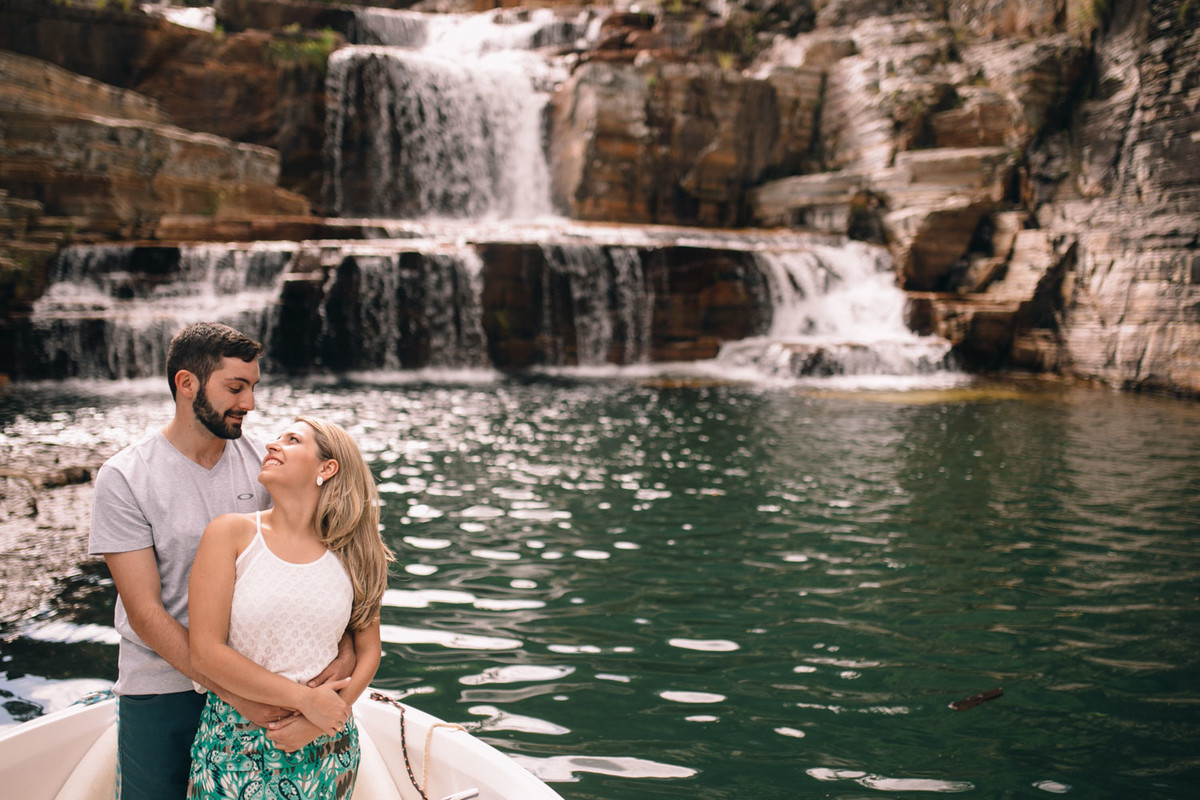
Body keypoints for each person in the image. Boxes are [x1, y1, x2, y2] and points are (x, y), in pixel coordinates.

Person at [88, 322, 355, 799]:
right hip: (162, 686)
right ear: (186, 383)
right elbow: (146, 613)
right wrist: (235, 694)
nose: (249, 404)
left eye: (252, 387)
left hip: (264, 685)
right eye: (235, 387)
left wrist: (347, 653)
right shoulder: (124, 478)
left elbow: (326, 563)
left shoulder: (267, 466)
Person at [186, 416, 394, 799]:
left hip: (329, 749)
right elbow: (205, 653)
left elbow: (369, 651)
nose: (272, 444)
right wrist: (303, 701)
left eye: (292, 440)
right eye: (277, 437)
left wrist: (323, 720)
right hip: (235, 746)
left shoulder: (355, 552)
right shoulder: (230, 534)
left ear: (327, 468)